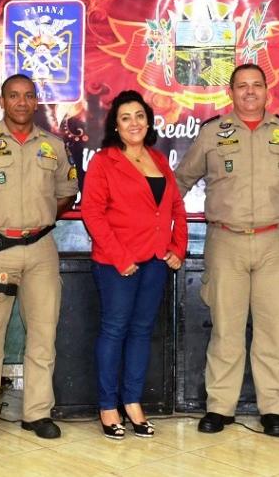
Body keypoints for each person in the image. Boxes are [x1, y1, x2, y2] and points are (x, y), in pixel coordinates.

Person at [175, 63, 279, 437]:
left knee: (273, 329)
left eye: (257, 85)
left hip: (274, 241)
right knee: (226, 329)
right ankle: (220, 407)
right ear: (231, 93)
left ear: (268, 91)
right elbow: (180, 181)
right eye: (242, 86)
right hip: (226, 241)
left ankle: (273, 408)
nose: (249, 92)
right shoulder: (211, 134)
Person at [0, 74, 78, 446]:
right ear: (2, 100)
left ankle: (37, 412)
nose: (22, 102)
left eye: (28, 96)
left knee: (43, 335)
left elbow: (66, 195)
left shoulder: (54, 147)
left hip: (42, 250)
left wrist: (34, 222)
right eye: (14, 96)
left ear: (37, 101)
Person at [81, 90, 188, 439]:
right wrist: (121, 257)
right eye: (125, 117)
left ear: (148, 121)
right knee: (115, 330)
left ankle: (132, 403)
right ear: (115, 124)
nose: (134, 123)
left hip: (155, 262)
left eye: (139, 116)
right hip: (117, 264)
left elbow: (175, 209)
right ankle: (108, 406)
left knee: (142, 332)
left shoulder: (159, 161)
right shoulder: (104, 162)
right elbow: (93, 215)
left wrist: (178, 248)